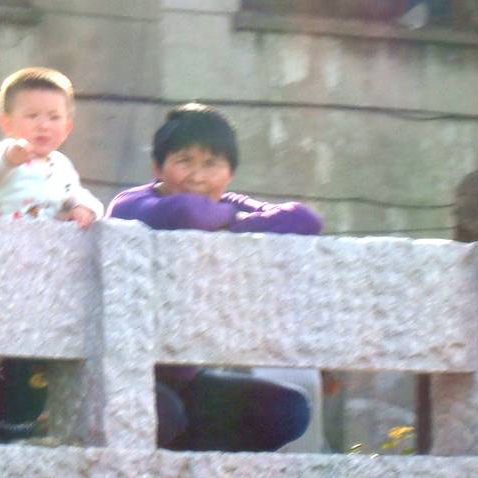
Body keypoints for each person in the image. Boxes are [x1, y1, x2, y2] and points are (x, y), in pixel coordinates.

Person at [109, 103, 321, 451]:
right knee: (165, 413)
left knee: (288, 409)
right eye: (184, 161)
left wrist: (228, 220)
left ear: (229, 172)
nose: (197, 176)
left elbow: (304, 220)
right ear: (158, 167)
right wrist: (236, 221)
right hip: (125, 373)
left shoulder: (226, 203)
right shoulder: (132, 204)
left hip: (188, 378)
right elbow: (186, 212)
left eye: (211, 164)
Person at [0, 67, 102, 226]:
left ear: (67, 128)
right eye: (32, 116)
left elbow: (80, 196)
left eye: (54, 117)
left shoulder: (62, 166)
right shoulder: (4, 152)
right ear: (7, 124)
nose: (44, 125)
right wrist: (9, 159)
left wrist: (83, 208)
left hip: (44, 246)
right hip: (0, 239)